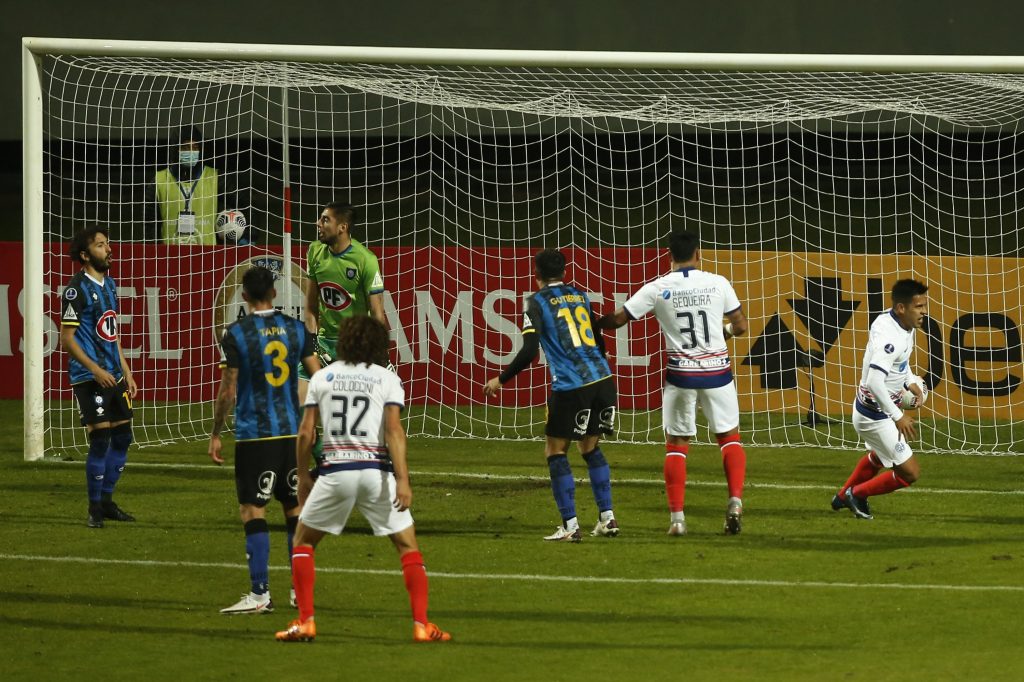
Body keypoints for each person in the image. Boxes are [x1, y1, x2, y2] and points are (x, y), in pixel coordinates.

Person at [275, 316, 450, 643]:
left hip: (335, 472)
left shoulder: (322, 377)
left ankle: (306, 621)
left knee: (302, 543)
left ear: (344, 342)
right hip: (374, 472)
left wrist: (301, 475)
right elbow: (394, 431)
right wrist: (403, 480)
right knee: (407, 546)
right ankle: (422, 625)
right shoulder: (387, 379)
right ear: (377, 345)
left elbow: (306, 433)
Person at [595, 231, 749, 536]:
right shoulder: (718, 282)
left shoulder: (658, 287)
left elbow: (618, 318)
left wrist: (592, 322)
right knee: (729, 437)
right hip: (718, 372)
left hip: (681, 375)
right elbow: (742, 325)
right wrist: (723, 334)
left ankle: (677, 520)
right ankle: (734, 502)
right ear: (698, 253)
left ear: (669, 256)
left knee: (677, 445)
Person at [483, 249, 619, 543]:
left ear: (536, 275)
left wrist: (501, 379)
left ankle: (570, 524)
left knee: (556, 451)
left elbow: (530, 349)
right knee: (589, 448)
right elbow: (598, 337)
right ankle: (607, 519)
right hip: (603, 379)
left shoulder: (535, 302)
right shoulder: (580, 296)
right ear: (564, 272)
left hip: (572, 386)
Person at [209, 266, 320, 614]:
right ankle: (299, 592)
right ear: (274, 292)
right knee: (294, 508)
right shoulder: (295, 329)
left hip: (256, 435)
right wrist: (314, 417)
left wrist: (215, 432)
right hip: (291, 431)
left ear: (243, 297)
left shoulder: (236, 333)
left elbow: (228, 390)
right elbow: (318, 375)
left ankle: (259, 595)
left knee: (252, 508)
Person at [59, 226, 138, 528]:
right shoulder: (75, 289)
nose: (108, 249)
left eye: (107, 244)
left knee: (123, 436)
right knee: (101, 439)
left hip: (114, 375)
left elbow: (112, 333)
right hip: (89, 376)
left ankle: (106, 501)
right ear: (84, 254)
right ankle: (93, 508)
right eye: (101, 245)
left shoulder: (111, 284)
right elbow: (67, 338)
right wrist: (95, 369)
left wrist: (126, 372)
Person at [831, 279, 929, 520]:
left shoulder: (897, 324)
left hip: (873, 409)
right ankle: (857, 494)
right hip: (875, 415)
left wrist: (909, 381)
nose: (924, 311)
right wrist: (898, 417)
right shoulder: (890, 338)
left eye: (924, 305)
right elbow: (875, 382)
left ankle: (843, 495)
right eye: (918, 306)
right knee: (910, 473)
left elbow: (899, 364)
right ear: (901, 308)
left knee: (878, 456)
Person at [151, 125, 246, 245]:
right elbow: (149, 223)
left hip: (207, 258)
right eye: (185, 147)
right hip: (169, 257)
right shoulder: (159, 180)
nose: (191, 152)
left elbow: (245, 204)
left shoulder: (216, 178)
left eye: (195, 147)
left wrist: (247, 237)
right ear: (175, 149)